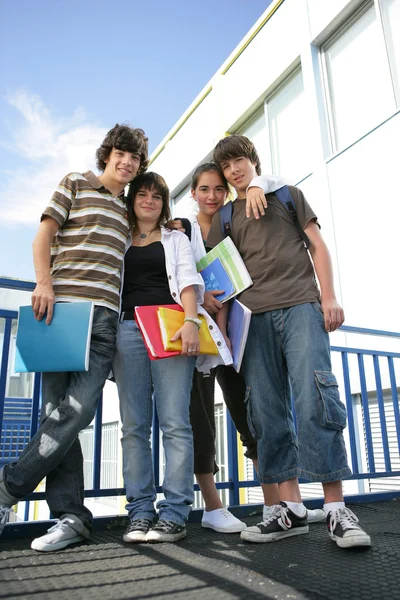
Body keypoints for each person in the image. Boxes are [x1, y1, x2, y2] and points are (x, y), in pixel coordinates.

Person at [209, 134, 371, 549]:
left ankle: (336, 510)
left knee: (316, 398)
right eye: (226, 167)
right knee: (265, 410)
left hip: (301, 307)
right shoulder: (225, 216)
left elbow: (317, 246)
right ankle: (292, 511)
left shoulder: (288, 194)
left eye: (239, 161)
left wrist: (329, 296)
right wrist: (224, 330)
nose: (233, 170)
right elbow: (218, 277)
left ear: (252, 161)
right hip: (253, 321)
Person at [0, 124, 149, 552]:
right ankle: (71, 517)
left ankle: (8, 490)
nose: (127, 162)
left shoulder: (127, 210)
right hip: (62, 313)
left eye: (135, 158)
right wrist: (43, 282)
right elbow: (43, 234)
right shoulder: (74, 182)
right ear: (108, 154)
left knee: (74, 414)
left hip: (104, 322)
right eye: (122, 153)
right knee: (56, 414)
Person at [171, 163, 325, 532]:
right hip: (201, 338)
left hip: (239, 331)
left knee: (255, 415)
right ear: (192, 193)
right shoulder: (181, 229)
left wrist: (256, 184)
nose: (212, 195)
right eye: (204, 189)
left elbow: (269, 183)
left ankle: (283, 504)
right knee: (201, 420)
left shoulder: (232, 219)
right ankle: (213, 507)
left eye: (217, 189)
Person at [112, 172, 231, 544]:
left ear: (164, 203)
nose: (149, 200)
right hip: (127, 331)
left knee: (175, 422)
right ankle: (140, 511)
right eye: (142, 194)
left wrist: (193, 322)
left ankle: (175, 513)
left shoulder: (175, 238)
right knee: (133, 426)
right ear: (132, 201)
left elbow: (188, 279)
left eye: (157, 196)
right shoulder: (118, 240)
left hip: (170, 328)